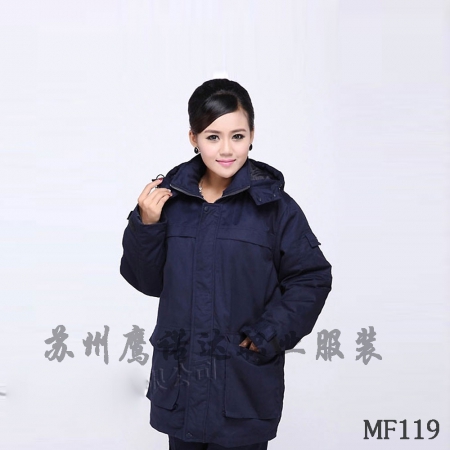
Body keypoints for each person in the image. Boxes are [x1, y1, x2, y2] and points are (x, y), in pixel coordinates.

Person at [120, 79, 332, 449]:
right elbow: (148, 282)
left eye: (237, 136)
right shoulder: (169, 202)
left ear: (252, 136)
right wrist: (147, 226)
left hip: (241, 386)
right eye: (213, 137)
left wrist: (268, 333)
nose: (226, 149)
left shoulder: (275, 208)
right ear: (194, 138)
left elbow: (311, 278)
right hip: (182, 385)